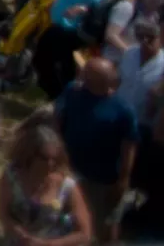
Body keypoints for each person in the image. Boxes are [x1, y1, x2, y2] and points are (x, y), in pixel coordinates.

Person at [53, 56, 137, 243]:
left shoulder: (123, 110)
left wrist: (123, 179)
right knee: (66, 216)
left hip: (102, 178)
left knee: (104, 222)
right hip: (70, 169)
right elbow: (58, 118)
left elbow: (129, 147)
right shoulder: (72, 92)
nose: (81, 77)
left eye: (86, 75)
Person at [0, 119, 92, 246]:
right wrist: (17, 231)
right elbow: (3, 212)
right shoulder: (12, 177)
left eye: (54, 159)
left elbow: (84, 233)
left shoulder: (66, 186)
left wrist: (49, 244)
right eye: (44, 158)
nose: (50, 164)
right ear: (31, 155)